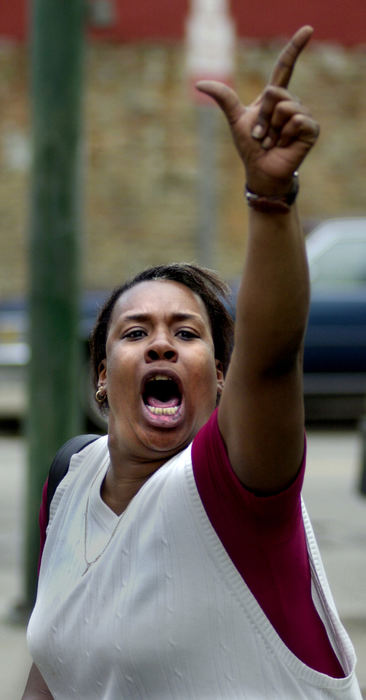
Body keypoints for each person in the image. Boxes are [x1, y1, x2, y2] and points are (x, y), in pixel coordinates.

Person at [23, 26, 362, 699]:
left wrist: (270, 199)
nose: (161, 344)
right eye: (134, 331)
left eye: (186, 332)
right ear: (100, 375)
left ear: (222, 381)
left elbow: (272, 358)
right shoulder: (69, 480)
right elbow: (61, 663)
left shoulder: (234, 487)